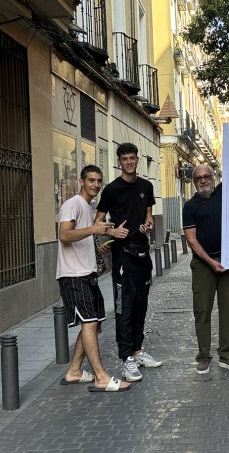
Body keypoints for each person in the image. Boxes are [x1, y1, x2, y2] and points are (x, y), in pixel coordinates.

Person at [56, 165, 130, 393]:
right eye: (91, 180)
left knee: (93, 322)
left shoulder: (88, 207)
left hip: (87, 274)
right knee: (89, 323)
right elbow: (64, 235)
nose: (96, 185)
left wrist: (102, 244)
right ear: (81, 181)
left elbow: (85, 235)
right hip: (73, 276)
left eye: (99, 181)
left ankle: (74, 371)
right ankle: (101, 377)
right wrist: (93, 230)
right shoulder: (73, 204)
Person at [96, 143, 162, 382]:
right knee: (124, 307)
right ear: (119, 162)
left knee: (141, 305)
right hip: (123, 255)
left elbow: (148, 215)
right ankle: (126, 359)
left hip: (143, 253)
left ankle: (137, 350)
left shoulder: (146, 186)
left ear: (137, 160)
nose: (129, 162)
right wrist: (112, 233)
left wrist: (148, 225)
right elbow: (99, 221)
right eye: (125, 159)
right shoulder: (112, 189)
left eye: (132, 158)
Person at [182, 164, 229, 374]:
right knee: (202, 311)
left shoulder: (222, 195)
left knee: (228, 310)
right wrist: (210, 262)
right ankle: (204, 357)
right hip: (203, 265)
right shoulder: (190, 206)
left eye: (207, 176)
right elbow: (191, 240)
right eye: (199, 178)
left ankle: (226, 355)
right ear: (194, 182)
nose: (204, 180)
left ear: (213, 178)